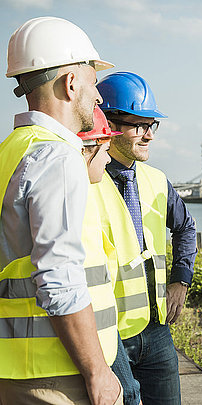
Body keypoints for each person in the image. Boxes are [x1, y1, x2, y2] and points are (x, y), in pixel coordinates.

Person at [0, 17, 122, 404]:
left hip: (16, 369)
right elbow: (59, 278)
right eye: (92, 84)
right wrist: (98, 371)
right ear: (71, 84)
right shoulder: (57, 155)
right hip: (59, 376)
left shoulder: (12, 149)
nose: (99, 98)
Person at [93, 71, 197, 405]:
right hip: (109, 336)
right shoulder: (86, 183)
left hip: (156, 330)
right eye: (139, 125)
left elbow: (185, 228)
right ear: (109, 124)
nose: (149, 135)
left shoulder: (156, 180)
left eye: (152, 125)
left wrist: (181, 280)